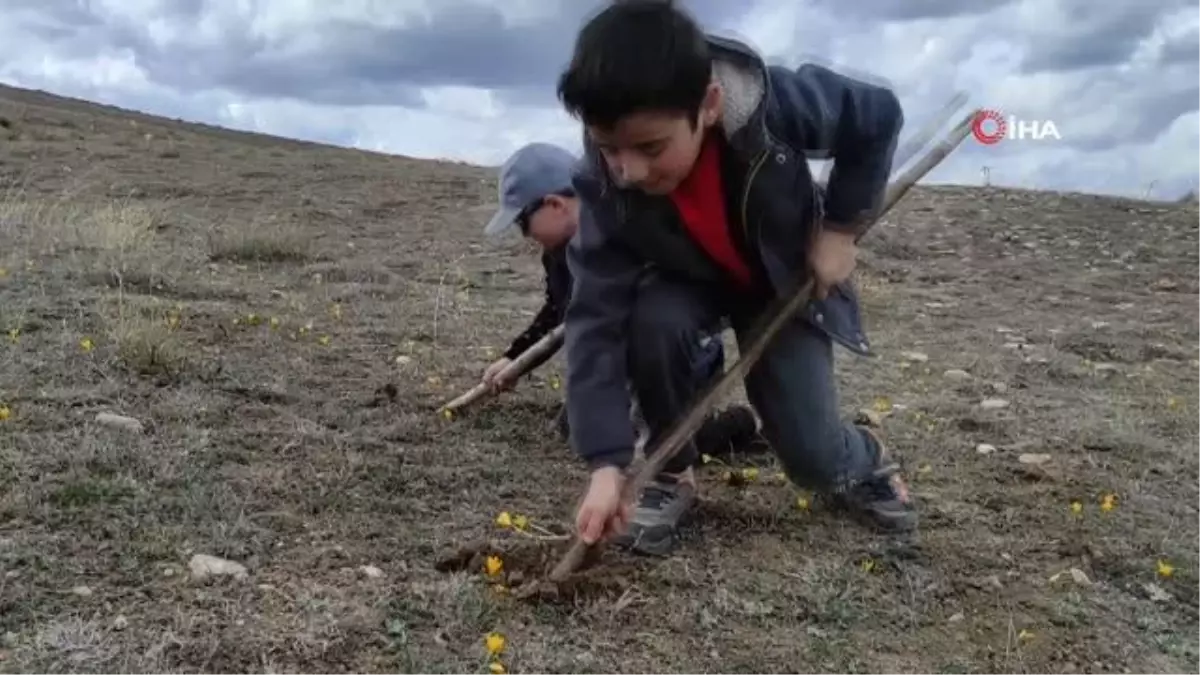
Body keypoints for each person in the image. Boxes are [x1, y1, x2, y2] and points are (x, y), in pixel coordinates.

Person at [556, 0, 917, 557]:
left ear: (708, 105)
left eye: (651, 147)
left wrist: (841, 229)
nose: (629, 171)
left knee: (813, 460)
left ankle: (861, 458)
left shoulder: (769, 105)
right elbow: (594, 322)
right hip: (685, 282)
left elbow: (875, 115)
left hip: (780, 279)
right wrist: (607, 463)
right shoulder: (604, 189)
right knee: (650, 318)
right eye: (609, 149)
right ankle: (668, 471)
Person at [478, 141, 763, 460]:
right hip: (620, 362)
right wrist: (513, 358)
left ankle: (728, 425)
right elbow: (559, 312)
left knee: (643, 445)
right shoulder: (558, 256)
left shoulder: (621, 229)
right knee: (577, 427)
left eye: (522, 223)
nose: (525, 235)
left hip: (676, 355)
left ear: (555, 204)